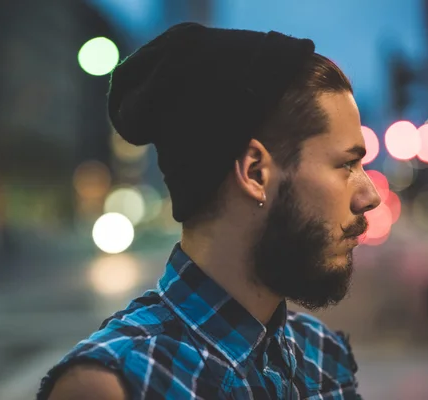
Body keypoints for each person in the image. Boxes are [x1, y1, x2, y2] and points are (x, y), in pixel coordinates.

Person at [38, 22, 380, 400]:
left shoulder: (322, 355)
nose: (370, 196)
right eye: (347, 165)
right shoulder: (117, 384)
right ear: (255, 172)